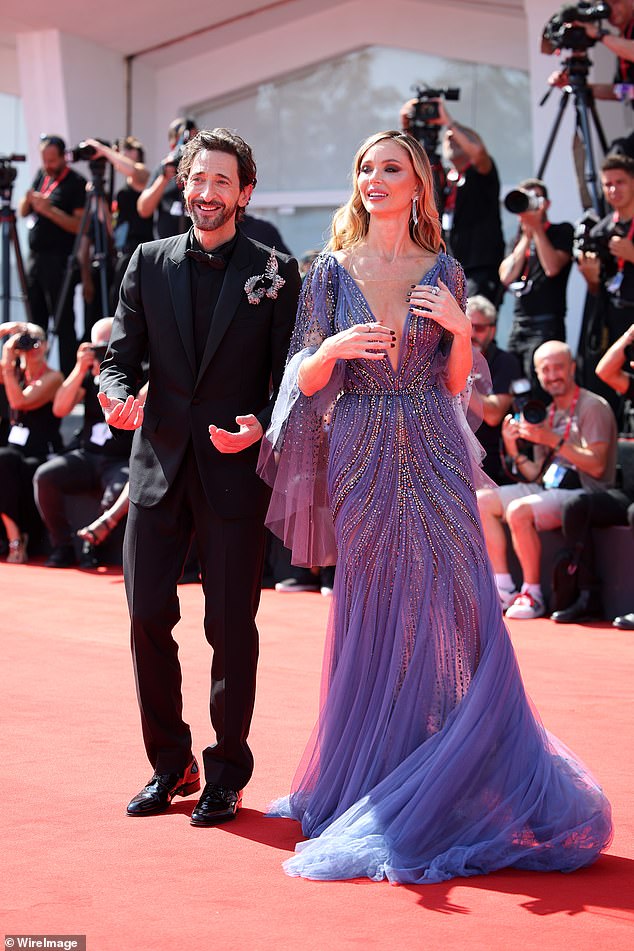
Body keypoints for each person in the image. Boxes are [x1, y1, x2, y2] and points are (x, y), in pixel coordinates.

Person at [258, 130, 612, 884]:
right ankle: (375, 770)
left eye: (391, 167)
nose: (375, 178)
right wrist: (329, 353)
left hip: (431, 439)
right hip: (359, 446)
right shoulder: (327, 272)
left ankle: (466, 762)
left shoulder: (444, 267)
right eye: (365, 167)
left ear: (419, 184)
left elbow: (456, 383)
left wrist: (456, 329)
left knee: (460, 603)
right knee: (377, 603)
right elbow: (305, 377)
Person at [98, 128, 301, 825]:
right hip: (156, 466)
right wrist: (114, 392)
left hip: (234, 472)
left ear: (245, 191)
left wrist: (264, 428)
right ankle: (170, 762)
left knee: (229, 625)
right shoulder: (148, 261)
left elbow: (290, 379)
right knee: (146, 614)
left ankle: (226, 770)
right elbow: (121, 354)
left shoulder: (276, 271)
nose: (205, 192)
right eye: (196, 178)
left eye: (221, 180)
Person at [478, 341, 617, 620]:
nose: (553, 375)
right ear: (538, 375)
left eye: (558, 368)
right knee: (481, 499)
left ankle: (533, 594)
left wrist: (551, 439)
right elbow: (536, 476)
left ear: (573, 368)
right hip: (548, 488)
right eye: (546, 370)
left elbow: (599, 466)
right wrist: (513, 446)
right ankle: (503, 587)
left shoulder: (592, 406)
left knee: (519, 510)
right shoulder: (547, 411)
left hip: (585, 491)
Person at [33, 317, 138, 569]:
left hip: (119, 457)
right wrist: (81, 369)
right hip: (87, 454)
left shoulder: (133, 369)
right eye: (97, 346)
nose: (102, 352)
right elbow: (60, 409)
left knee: (121, 487)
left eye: (107, 346)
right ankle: (62, 546)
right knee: (45, 476)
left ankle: (93, 544)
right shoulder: (86, 374)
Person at [400, 98, 504, 303]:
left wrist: (448, 122)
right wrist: (407, 127)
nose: (451, 137)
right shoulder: (443, 176)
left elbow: (479, 152)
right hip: (446, 268)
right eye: (447, 137)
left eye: (457, 137)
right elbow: (413, 163)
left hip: (478, 270)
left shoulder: (482, 174)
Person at [19, 135, 87, 376]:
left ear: (63, 157)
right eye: (44, 160)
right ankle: (31, 376)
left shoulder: (76, 183)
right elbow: (23, 212)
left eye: (52, 160)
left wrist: (49, 210)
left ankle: (68, 379)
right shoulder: (42, 175)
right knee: (33, 320)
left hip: (59, 261)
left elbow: (79, 225)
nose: (48, 165)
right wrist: (29, 201)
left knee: (62, 322)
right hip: (34, 259)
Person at [500, 179, 574, 388]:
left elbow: (552, 268)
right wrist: (526, 235)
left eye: (534, 198)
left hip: (546, 323)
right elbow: (506, 276)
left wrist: (537, 229)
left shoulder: (561, 231)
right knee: (516, 383)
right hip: (519, 324)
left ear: (546, 204)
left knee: (542, 385)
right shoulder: (517, 240)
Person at [0, 324, 63, 562]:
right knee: (5, 459)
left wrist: (8, 364)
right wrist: (4, 333)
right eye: (26, 340)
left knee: (5, 460)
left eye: (37, 340)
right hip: (12, 452)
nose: (32, 346)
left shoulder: (53, 377)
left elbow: (19, 402)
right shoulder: (12, 370)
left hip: (39, 452)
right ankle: (11, 533)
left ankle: (16, 537)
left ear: (46, 345)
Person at [549, 0, 634, 156]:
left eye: (615, 2)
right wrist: (579, 86)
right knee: (618, 161)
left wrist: (599, 35)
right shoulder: (622, 41)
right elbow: (624, 92)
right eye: (606, 4)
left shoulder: (623, 43)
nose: (611, 10)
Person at [82, 136, 153, 312]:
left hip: (141, 251)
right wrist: (97, 199)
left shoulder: (142, 177)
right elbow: (110, 226)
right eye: (122, 149)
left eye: (129, 149)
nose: (124, 152)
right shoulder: (121, 191)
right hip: (123, 253)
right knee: (118, 307)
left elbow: (134, 170)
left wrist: (102, 150)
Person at [578, 155, 634, 350]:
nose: (613, 189)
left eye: (620, 182)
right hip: (614, 320)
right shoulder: (599, 231)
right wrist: (591, 280)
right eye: (607, 184)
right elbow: (598, 289)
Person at [466, 295, 522, 485]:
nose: (472, 333)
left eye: (480, 328)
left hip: (488, 459)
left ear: (493, 330)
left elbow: (493, 414)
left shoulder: (505, 362)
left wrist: (459, 379)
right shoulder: (445, 356)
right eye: (468, 326)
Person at [136, 117, 198, 239]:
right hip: (167, 247)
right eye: (184, 141)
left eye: (193, 139)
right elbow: (144, 210)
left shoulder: (201, 170)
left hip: (197, 246)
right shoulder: (164, 168)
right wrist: (164, 178)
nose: (187, 146)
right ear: (173, 142)